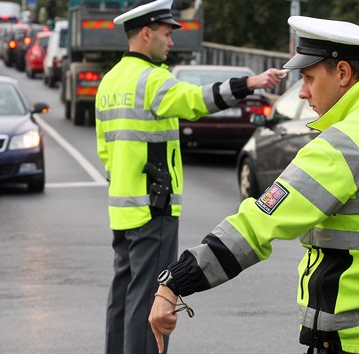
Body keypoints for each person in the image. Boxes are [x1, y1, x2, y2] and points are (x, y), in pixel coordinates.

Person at [149, 15, 359, 354]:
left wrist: (174, 283)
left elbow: (256, 227)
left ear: (343, 73)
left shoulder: (341, 148)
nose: (304, 93)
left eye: (309, 78)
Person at [95, 1, 284, 353]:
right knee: (152, 297)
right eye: (166, 35)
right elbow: (198, 100)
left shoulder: (110, 81)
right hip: (154, 205)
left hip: (122, 207)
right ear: (147, 33)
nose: (171, 43)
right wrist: (251, 83)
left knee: (123, 292)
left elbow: (105, 149)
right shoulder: (152, 79)